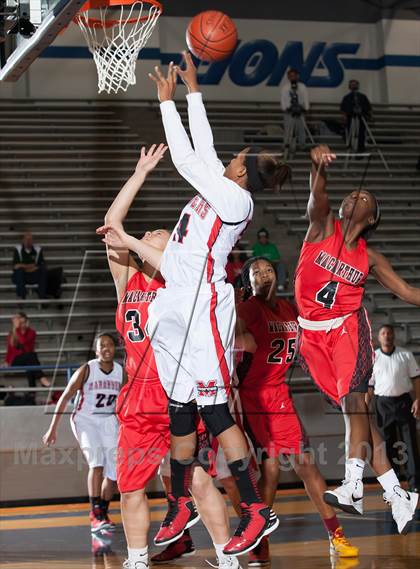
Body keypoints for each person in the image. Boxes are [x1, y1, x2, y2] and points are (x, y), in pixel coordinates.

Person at [97, 51, 291, 558]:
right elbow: (203, 147)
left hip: (203, 301)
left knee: (210, 408)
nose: (229, 156)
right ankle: (180, 502)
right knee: (180, 407)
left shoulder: (235, 200)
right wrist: (194, 88)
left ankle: (255, 508)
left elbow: (188, 157)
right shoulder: (224, 184)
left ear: (244, 171)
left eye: (238, 156)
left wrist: (168, 103)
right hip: (176, 302)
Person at [100, 143, 243, 569]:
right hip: (138, 400)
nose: (147, 235)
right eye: (145, 235)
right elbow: (112, 224)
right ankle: (138, 558)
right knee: (130, 487)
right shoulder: (127, 281)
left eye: (156, 235)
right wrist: (141, 171)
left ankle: (226, 555)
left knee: (199, 480)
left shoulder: (181, 279)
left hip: (176, 392)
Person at [294, 144, 419, 534]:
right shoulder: (322, 227)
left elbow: (408, 293)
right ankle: (399, 495)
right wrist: (318, 168)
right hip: (311, 338)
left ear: (371, 217)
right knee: (362, 419)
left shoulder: (371, 257)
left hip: (347, 328)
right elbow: (318, 198)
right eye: (352, 194)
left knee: (353, 403)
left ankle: (352, 486)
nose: (356, 195)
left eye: (364, 197)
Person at [236, 256, 359, 565]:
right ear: (248, 282)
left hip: (280, 396)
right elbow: (231, 339)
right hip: (254, 398)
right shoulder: (248, 308)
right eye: (256, 272)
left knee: (307, 465)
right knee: (272, 467)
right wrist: (242, 341)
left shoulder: (289, 309)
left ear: (277, 275)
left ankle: (336, 535)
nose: (263, 275)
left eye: (267, 270)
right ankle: (259, 537)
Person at [43, 333, 122, 533]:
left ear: (114, 348)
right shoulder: (87, 369)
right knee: (96, 463)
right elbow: (65, 397)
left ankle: (102, 512)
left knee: (114, 472)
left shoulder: (121, 372)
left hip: (108, 420)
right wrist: (53, 428)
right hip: (85, 420)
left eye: (109, 344)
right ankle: (95, 514)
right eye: (101, 345)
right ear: (96, 351)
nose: (106, 348)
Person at [369, 324, 420, 492]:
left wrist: (418, 399)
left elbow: (416, 379)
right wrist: (366, 405)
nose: (387, 336)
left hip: (404, 402)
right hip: (383, 404)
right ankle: (394, 484)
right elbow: (369, 386)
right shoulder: (373, 357)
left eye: (389, 333)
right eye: (383, 333)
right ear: (379, 337)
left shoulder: (405, 354)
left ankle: (415, 484)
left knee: (410, 444)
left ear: (393, 336)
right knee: (387, 445)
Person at [3, 312, 50, 391]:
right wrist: (6, 362)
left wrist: (17, 330)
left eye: (21, 321)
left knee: (30, 366)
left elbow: (24, 344)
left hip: (28, 359)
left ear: (26, 321)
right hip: (15, 361)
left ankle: (32, 394)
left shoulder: (31, 332)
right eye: (18, 321)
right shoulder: (12, 333)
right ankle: (42, 378)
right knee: (31, 357)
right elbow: (9, 350)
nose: (20, 323)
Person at [12, 232, 63, 300]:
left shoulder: (38, 249)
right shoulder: (18, 249)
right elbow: (16, 266)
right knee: (19, 271)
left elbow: (39, 265)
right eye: (26, 239)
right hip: (22, 276)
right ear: (23, 240)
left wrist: (24, 266)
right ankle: (21, 296)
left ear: (32, 241)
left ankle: (42, 295)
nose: (28, 241)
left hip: (34, 275)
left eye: (30, 240)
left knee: (43, 270)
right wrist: (31, 266)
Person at [280, 68, 310, 150]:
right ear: (288, 77)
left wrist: (306, 109)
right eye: (291, 76)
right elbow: (283, 100)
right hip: (289, 113)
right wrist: (286, 108)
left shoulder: (302, 87)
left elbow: (306, 98)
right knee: (289, 131)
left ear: (297, 76)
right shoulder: (285, 88)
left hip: (300, 111)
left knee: (301, 130)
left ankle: (302, 145)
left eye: (294, 76)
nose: (292, 77)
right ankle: (288, 146)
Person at [340, 80, 372, 153]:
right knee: (349, 133)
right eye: (352, 84)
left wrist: (370, 116)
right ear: (349, 86)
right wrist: (344, 117)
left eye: (355, 84)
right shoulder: (346, 98)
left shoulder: (363, 97)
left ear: (358, 86)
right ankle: (350, 147)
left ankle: (361, 149)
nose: (354, 86)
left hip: (361, 118)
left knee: (361, 133)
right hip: (350, 118)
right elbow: (343, 109)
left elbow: (368, 107)